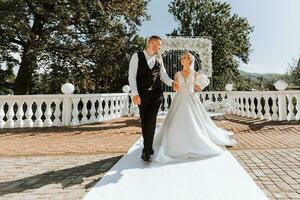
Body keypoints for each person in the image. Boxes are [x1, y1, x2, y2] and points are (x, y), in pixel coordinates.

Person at [152, 51, 236, 163]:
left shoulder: (195, 74)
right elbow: (175, 88)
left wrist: (198, 87)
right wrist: (175, 86)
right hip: (180, 98)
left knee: (197, 120)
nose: (182, 59)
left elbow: (198, 88)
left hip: (192, 98)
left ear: (190, 60)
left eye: (185, 58)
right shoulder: (177, 74)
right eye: (182, 58)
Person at [128, 35, 180, 162]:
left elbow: (164, 76)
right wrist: (134, 94)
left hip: (156, 94)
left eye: (160, 45)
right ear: (150, 43)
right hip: (142, 94)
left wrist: (173, 83)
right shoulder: (137, 56)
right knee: (144, 121)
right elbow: (131, 76)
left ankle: (146, 151)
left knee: (151, 120)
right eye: (156, 44)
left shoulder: (159, 58)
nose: (158, 47)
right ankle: (148, 148)